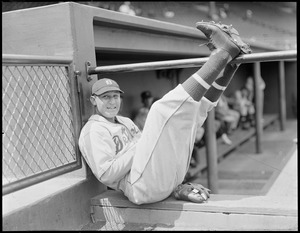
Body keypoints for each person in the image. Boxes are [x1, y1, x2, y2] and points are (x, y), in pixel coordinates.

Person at [78, 21, 251, 205]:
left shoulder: (125, 121)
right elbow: (107, 174)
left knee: (194, 115)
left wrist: (147, 145)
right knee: (160, 111)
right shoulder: (93, 130)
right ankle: (222, 54)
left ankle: (231, 64)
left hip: (168, 179)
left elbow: (148, 156)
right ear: (93, 100)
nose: (112, 101)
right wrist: (144, 144)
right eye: (105, 97)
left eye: (115, 96)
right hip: (138, 187)